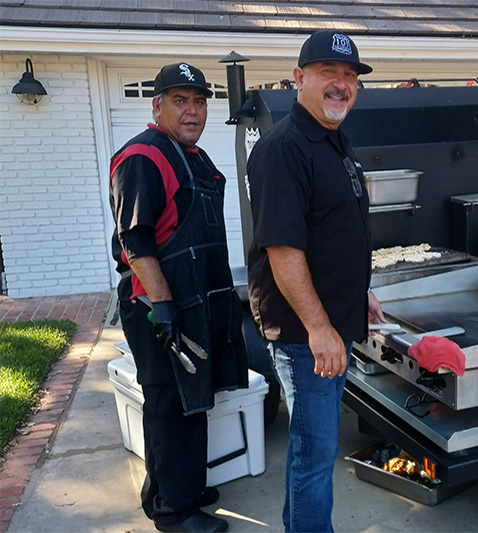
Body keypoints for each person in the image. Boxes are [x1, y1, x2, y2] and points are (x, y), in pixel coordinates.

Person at [246, 30, 385, 532]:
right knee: (315, 456)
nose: (341, 84)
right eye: (330, 72)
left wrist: (358, 291)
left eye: (350, 76)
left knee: (313, 452)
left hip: (329, 323)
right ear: (299, 78)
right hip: (307, 337)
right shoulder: (284, 148)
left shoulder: (333, 142)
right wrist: (320, 328)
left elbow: (333, 233)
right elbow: (284, 250)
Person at [109, 62, 248, 533]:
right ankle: (174, 513)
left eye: (200, 101)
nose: (193, 111)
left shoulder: (195, 157)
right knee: (168, 402)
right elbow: (136, 240)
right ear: (157, 105)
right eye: (180, 100)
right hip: (160, 305)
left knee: (193, 398)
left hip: (196, 298)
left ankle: (176, 488)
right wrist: (164, 306)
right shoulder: (144, 157)